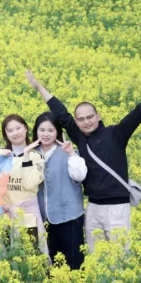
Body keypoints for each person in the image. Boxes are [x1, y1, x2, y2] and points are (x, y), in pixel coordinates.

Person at [26, 70, 141, 253]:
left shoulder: (116, 134)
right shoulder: (79, 137)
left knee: (119, 256)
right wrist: (38, 87)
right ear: (77, 122)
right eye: (81, 119)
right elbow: (61, 112)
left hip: (117, 207)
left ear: (98, 116)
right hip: (93, 206)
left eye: (90, 117)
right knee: (96, 256)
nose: (86, 122)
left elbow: (132, 119)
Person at [32, 112, 87, 269]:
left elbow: (80, 176)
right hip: (44, 219)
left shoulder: (67, 151)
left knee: (74, 262)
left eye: (51, 130)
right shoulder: (32, 153)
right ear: (36, 131)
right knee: (51, 262)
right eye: (42, 130)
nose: (46, 134)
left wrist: (71, 153)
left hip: (70, 217)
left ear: (57, 132)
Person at [0, 114, 46, 253]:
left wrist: (26, 155)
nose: (15, 133)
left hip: (28, 216)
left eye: (18, 128)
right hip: (6, 215)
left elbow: (30, 184)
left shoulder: (36, 156)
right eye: (10, 130)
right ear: (5, 134)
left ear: (26, 128)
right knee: (8, 257)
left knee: (32, 256)